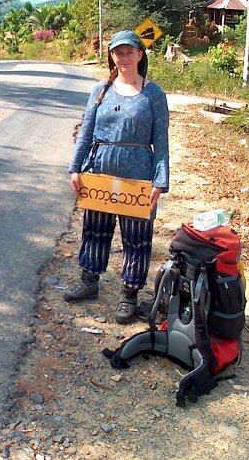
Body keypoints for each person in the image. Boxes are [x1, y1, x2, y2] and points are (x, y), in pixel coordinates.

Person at [64, 30, 170, 323]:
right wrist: (76, 168)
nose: (123, 58)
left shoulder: (153, 93)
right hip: (100, 169)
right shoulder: (100, 90)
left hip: (138, 174)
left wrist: (160, 181)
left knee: (137, 237)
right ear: (111, 56)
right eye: (117, 53)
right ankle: (89, 281)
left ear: (139, 54)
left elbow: (161, 141)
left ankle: (129, 295)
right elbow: (86, 132)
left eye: (129, 52)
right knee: (95, 230)